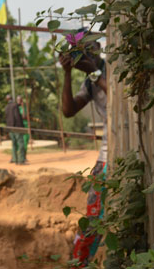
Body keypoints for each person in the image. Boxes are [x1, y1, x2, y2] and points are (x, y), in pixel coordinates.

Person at [59, 34, 107, 266]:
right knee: (93, 217)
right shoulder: (90, 80)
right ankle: (81, 262)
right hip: (106, 156)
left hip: (124, 151)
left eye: (90, 48)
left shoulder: (110, 70)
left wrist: (93, 72)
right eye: (81, 50)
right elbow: (68, 111)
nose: (87, 54)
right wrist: (67, 73)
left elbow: (120, 96)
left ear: (98, 46)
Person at [4, 94, 25, 164]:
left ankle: (14, 159)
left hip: (10, 128)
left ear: (6, 100)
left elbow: (6, 118)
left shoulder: (6, 107)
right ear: (12, 98)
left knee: (14, 144)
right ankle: (21, 160)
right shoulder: (15, 106)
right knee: (21, 143)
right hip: (16, 127)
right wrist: (21, 127)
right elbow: (17, 117)